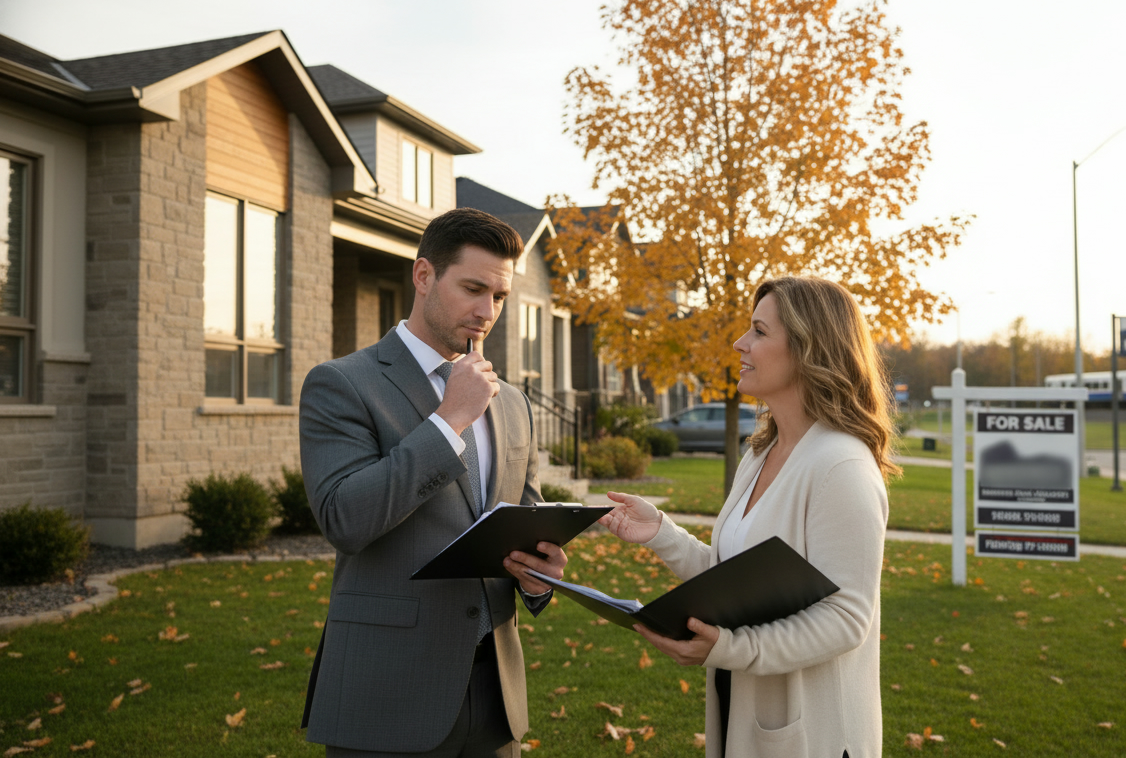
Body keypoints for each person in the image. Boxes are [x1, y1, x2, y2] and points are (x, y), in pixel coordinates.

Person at [299, 208, 567, 758]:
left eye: (499, 297)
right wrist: (449, 422)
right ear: (424, 276)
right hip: (386, 694)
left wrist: (540, 580)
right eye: (473, 288)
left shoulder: (513, 403)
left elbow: (523, 522)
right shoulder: (341, 384)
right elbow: (345, 519)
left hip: (495, 702)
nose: (486, 311)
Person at [600, 276, 893, 758]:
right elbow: (735, 583)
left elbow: (846, 619)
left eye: (759, 331)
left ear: (807, 349)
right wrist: (662, 534)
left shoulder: (841, 465)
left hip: (813, 737)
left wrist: (728, 648)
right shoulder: (760, 453)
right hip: (745, 718)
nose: (740, 343)